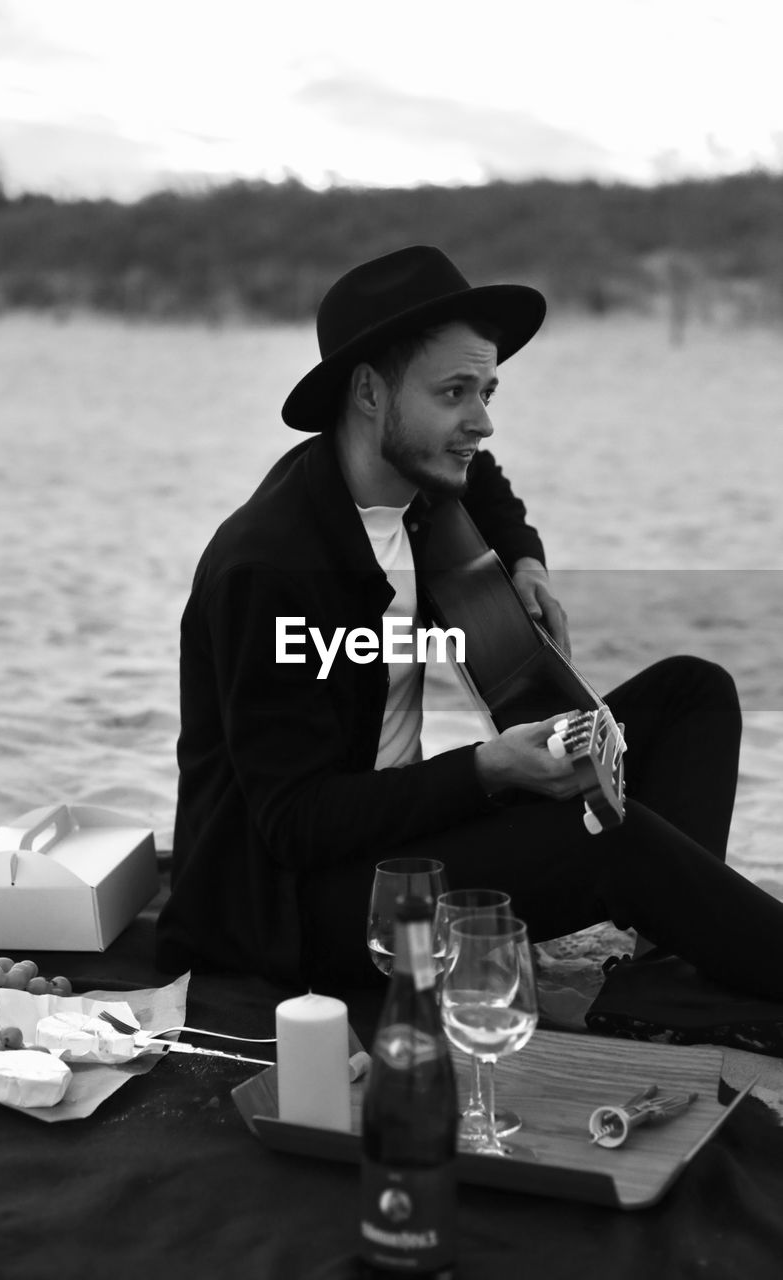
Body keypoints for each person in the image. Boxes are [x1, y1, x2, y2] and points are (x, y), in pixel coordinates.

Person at [156, 244, 783, 1001]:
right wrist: (489, 769)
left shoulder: (416, 474)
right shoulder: (273, 568)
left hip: (398, 834)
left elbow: (485, 486)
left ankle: (671, 973)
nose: (480, 422)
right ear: (367, 393)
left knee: (693, 695)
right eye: (455, 393)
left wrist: (523, 559)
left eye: (487, 391)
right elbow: (297, 823)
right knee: (605, 841)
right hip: (298, 912)